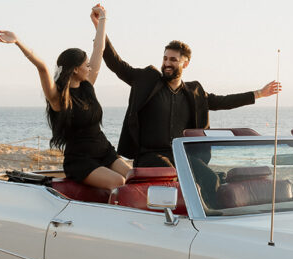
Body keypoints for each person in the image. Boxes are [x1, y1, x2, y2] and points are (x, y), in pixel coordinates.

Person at [91, 10, 280, 169]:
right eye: (165, 59)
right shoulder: (147, 80)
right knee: (169, 170)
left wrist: (259, 93)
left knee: (209, 178)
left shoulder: (194, 92)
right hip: (150, 156)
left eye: (173, 60)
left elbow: (223, 102)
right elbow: (116, 64)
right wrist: (101, 27)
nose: (166, 63)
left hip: (183, 155)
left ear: (185, 64)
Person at [0, 4, 131, 190]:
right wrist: (18, 42)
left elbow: (99, 48)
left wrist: (102, 20)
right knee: (118, 183)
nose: (89, 68)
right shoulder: (57, 98)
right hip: (81, 161)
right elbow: (42, 67)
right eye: (86, 65)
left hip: (105, 151)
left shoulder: (87, 86)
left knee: (133, 176)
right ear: (75, 69)